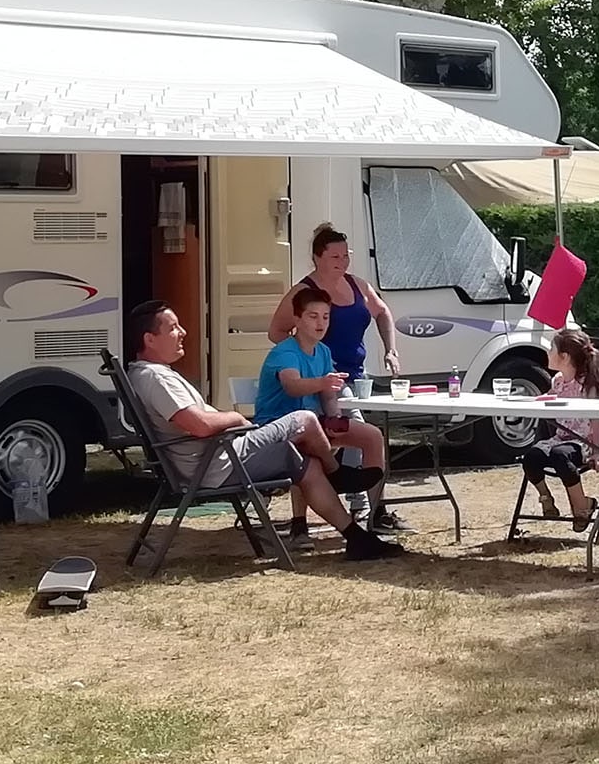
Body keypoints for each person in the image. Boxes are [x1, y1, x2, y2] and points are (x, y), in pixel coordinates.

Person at [126, 302, 400, 562]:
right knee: (303, 420)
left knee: (308, 463)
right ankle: (337, 473)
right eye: (173, 327)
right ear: (150, 339)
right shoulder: (156, 378)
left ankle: (356, 538)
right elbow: (199, 426)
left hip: (215, 456)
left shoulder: (148, 374)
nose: (183, 332)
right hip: (216, 462)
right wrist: (235, 418)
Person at [256, 284, 393, 536]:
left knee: (372, 436)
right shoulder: (284, 351)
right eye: (313, 316)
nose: (321, 323)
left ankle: (375, 515)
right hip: (277, 428)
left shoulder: (323, 351)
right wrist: (323, 383)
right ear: (297, 319)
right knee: (311, 455)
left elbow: (328, 395)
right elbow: (292, 386)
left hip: (314, 425)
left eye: (326, 317)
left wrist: (334, 417)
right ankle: (301, 524)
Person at [268, 223, 396, 396]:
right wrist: (310, 358)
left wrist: (390, 350)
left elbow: (382, 312)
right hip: (323, 379)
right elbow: (276, 332)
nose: (342, 262)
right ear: (317, 258)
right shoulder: (304, 291)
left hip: (357, 376)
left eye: (345, 256)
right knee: (352, 419)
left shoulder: (358, 284)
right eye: (335, 257)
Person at [515, 325, 599, 530]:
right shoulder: (558, 380)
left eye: (552, 348)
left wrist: (597, 452)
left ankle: (582, 506)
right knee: (532, 456)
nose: (548, 353)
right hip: (562, 437)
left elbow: (597, 419)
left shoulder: (589, 384)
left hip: (585, 440)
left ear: (565, 357)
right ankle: (546, 498)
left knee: (560, 455)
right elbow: (548, 399)